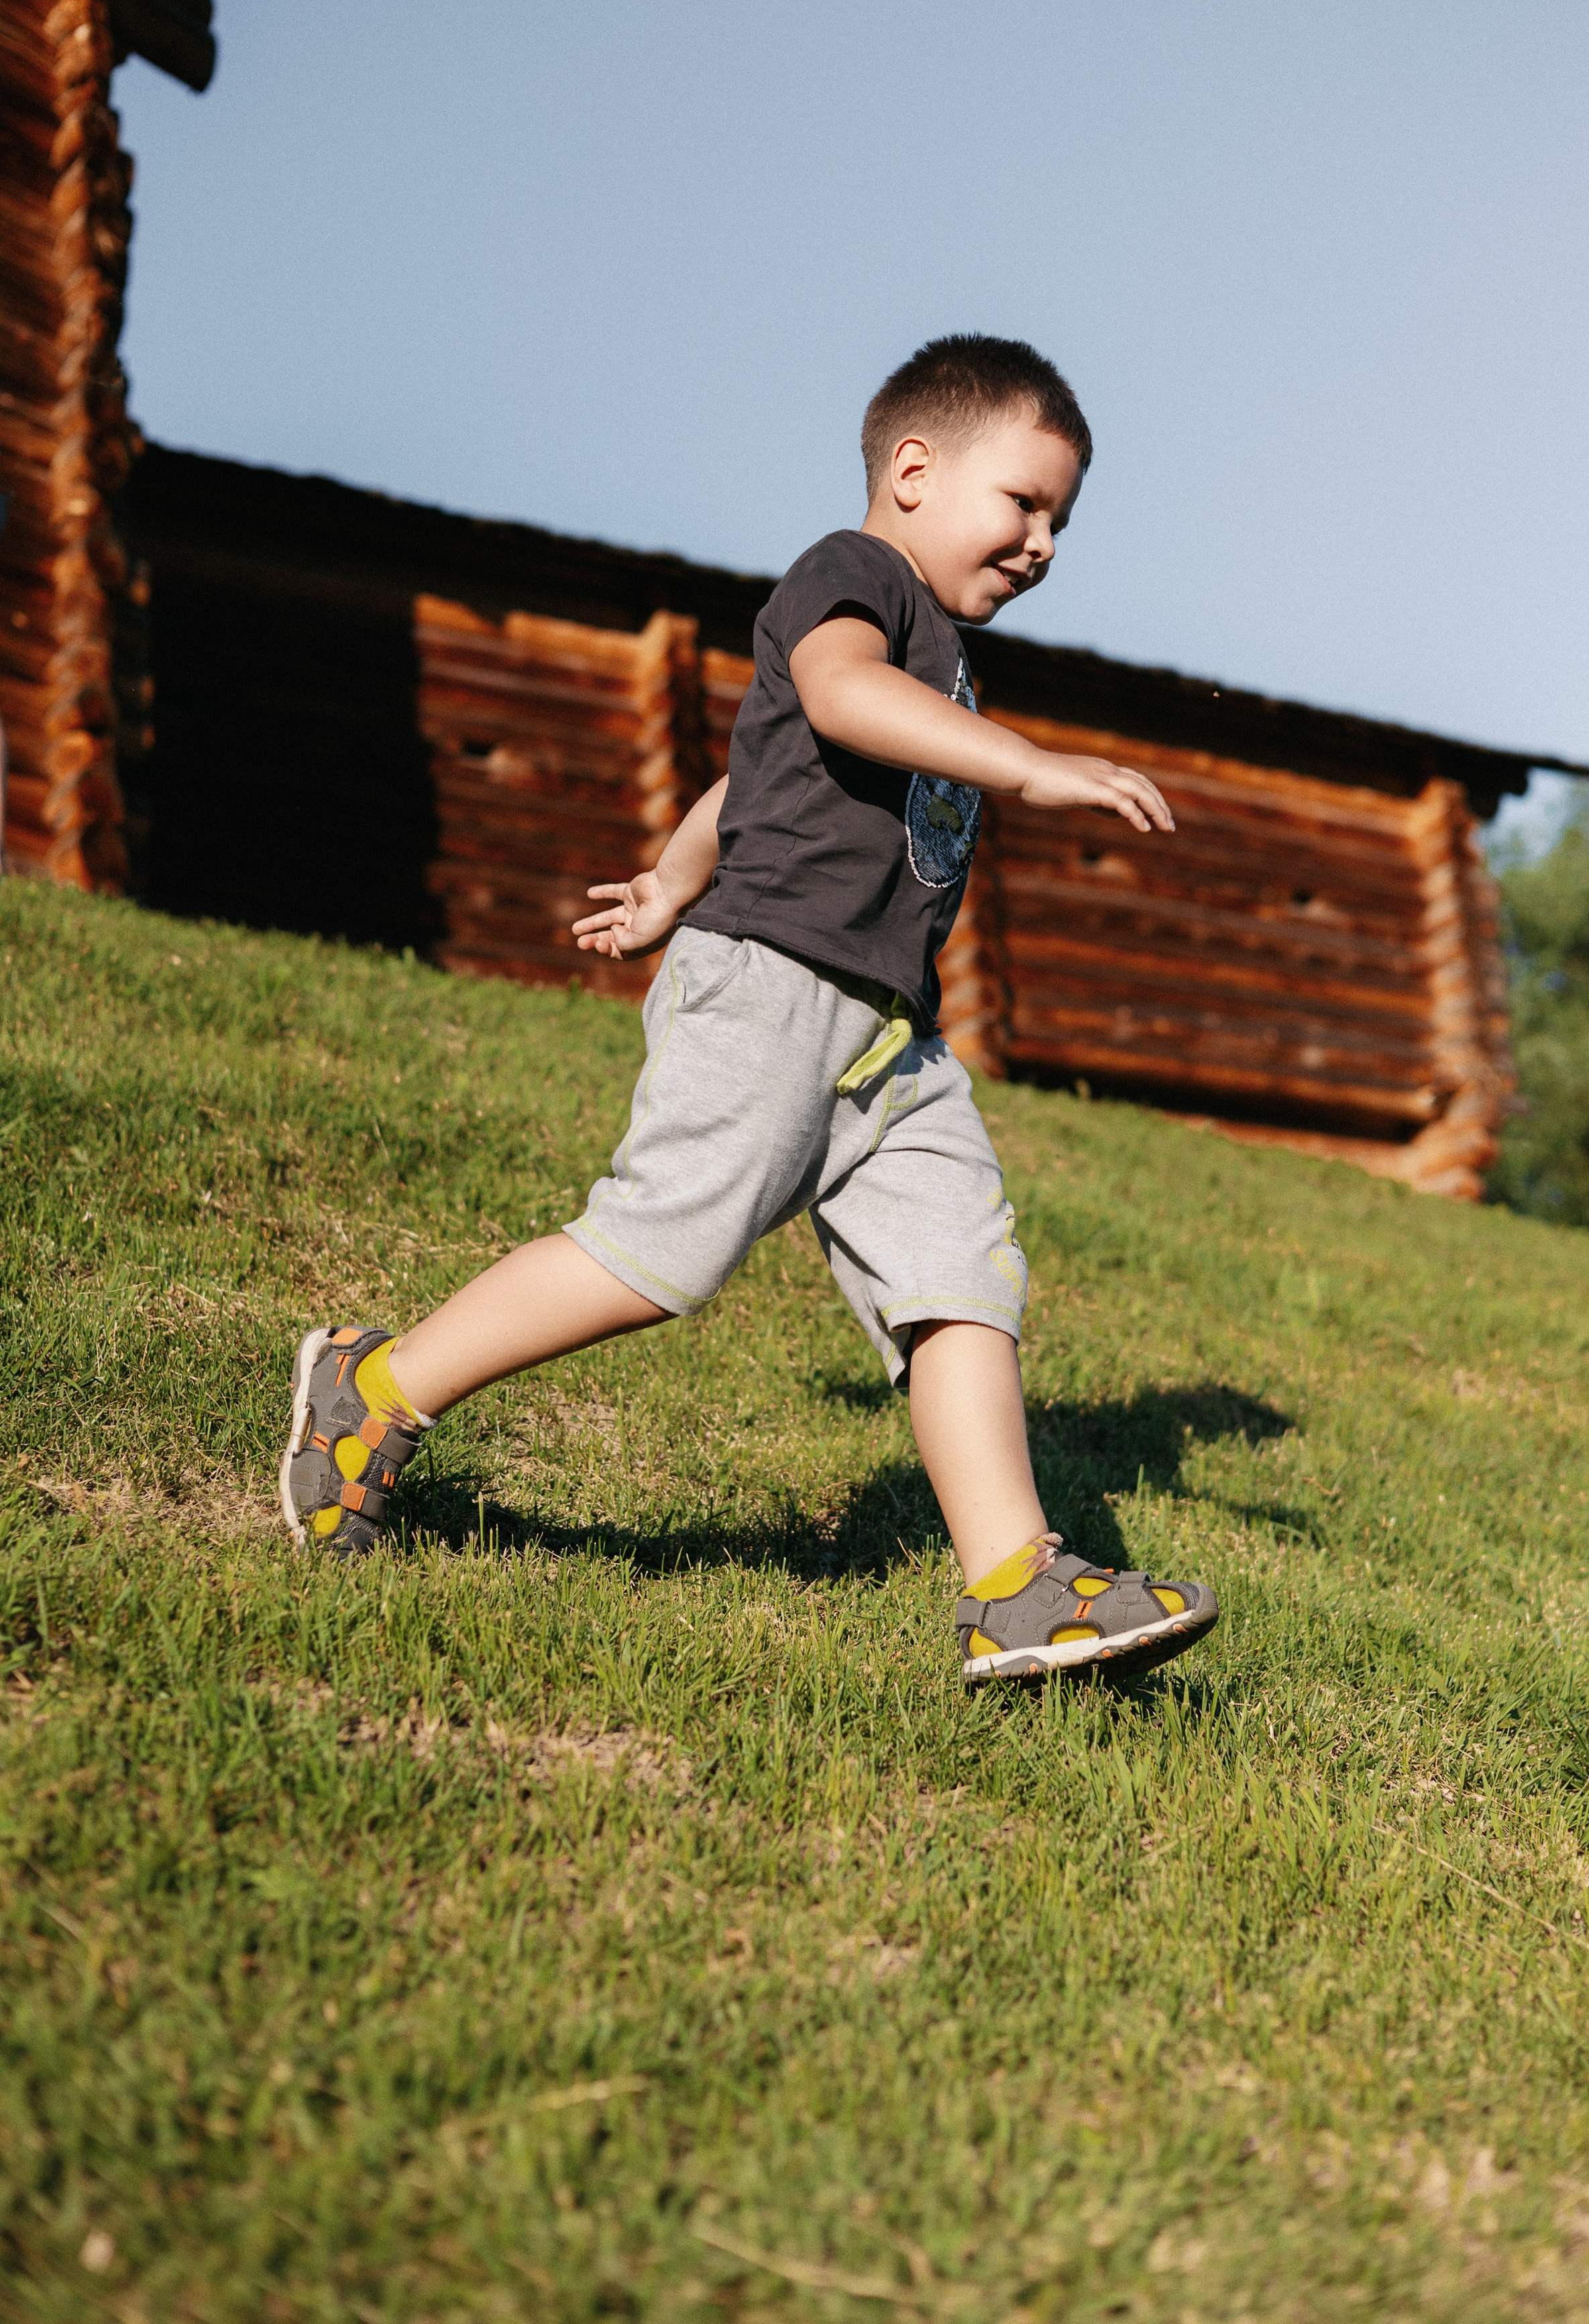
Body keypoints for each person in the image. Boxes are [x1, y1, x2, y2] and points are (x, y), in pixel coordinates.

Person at [280, 335, 1218, 1685]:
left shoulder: (938, 655)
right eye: (1023, 503)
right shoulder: (853, 580)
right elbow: (830, 697)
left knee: (962, 1280)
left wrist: (669, 871)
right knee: (659, 1255)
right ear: (911, 470)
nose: (1043, 543)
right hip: (773, 990)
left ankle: (1014, 1582)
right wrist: (1024, 767)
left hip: (893, 1039)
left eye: (1061, 521)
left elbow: (757, 767)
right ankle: (377, 1389)